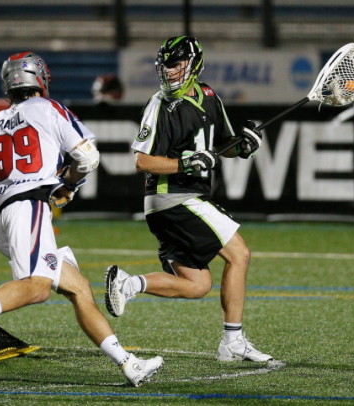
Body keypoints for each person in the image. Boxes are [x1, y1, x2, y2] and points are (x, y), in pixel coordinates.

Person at [0, 51, 162, 386]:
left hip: (2, 219)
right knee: (38, 288)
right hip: (28, 208)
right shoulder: (48, 109)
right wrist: (69, 185)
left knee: (78, 288)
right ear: (39, 79)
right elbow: (87, 157)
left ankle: (128, 363)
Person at [105, 36, 273, 363]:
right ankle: (233, 341)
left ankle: (128, 284)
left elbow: (227, 145)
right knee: (239, 253)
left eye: (176, 64)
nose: (169, 72)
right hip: (173, 198)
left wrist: (246, 144)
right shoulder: (159, 105)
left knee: (197, 284)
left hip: (184, 200)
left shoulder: (209, 96)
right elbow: (142, 161)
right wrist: (186, 163)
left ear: (194, 65)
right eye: (166, 65)